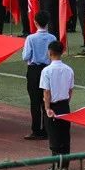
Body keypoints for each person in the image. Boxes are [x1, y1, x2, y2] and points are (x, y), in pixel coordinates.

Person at [40, 40, 75, 170]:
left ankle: (56, 167)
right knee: (65, 137)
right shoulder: (69, 69)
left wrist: (47, 108)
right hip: (65, 105)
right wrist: (66, 103)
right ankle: (64, 167)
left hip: (53, 107)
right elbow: (70, 90)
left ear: (50, 53)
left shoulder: (46, 71)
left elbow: (46, 92)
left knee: (54, 138)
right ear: (62, 52)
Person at [22, 10, 55, 140]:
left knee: (34, 101)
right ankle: (47, 129)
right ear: (47, 23)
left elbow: (26, 56)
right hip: (48, 69)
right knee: (47, 100)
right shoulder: (52, 38)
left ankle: (36, 130)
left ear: (35, 22)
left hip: (34, 70)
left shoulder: (30, 38)